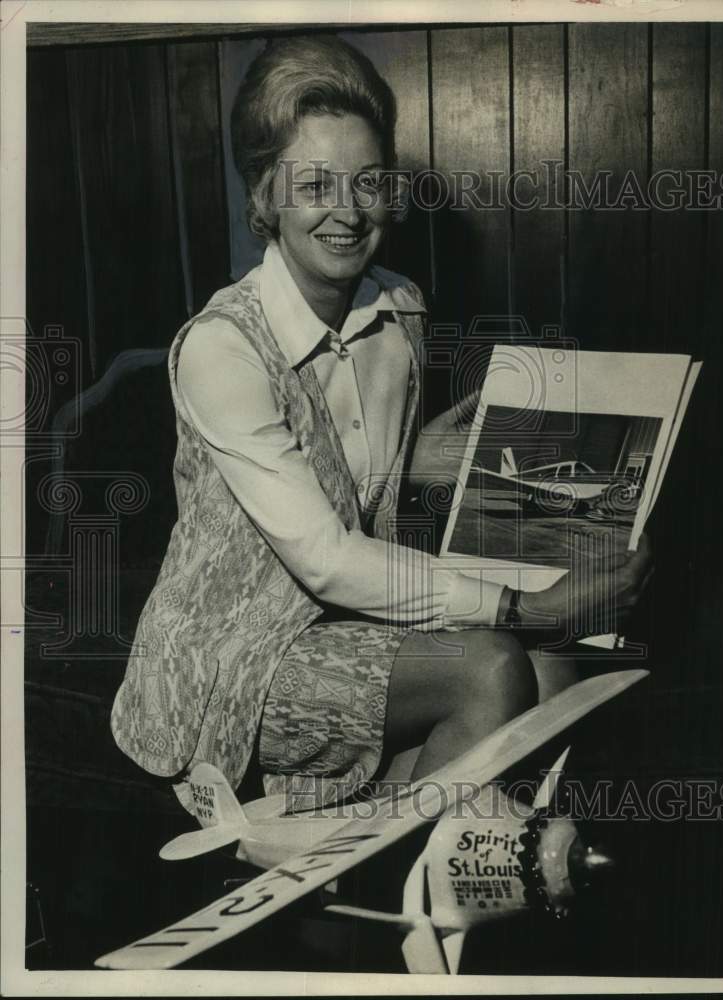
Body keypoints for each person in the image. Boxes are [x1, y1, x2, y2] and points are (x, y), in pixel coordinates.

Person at [110, 35, 652, 813]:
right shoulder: (220, 348)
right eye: (314, 185)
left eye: (368, 182)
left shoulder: (399, 310)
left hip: (347, 622)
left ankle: (407, 860)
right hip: (229, 656)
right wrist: (523, 605)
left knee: (556, 672)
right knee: (493, 664)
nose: (347, 211)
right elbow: (326, 557)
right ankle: (376, 890)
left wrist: (424, 463)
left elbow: (358, 481)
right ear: (264, 198)